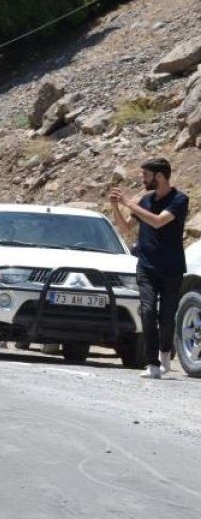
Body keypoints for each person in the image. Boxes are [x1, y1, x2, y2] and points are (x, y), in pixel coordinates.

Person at [110, 157, 189, 379]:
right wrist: (116, 206)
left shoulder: (179, 199)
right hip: (146, 266)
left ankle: (165, 353)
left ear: (160, 176)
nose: (142, 179)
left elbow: (157, 221)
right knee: (147, 310)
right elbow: (126, 228)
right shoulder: (144, 200)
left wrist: (128, 202)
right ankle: (152, 364)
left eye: (146, 175)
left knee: (166, 317)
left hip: (171, 268)